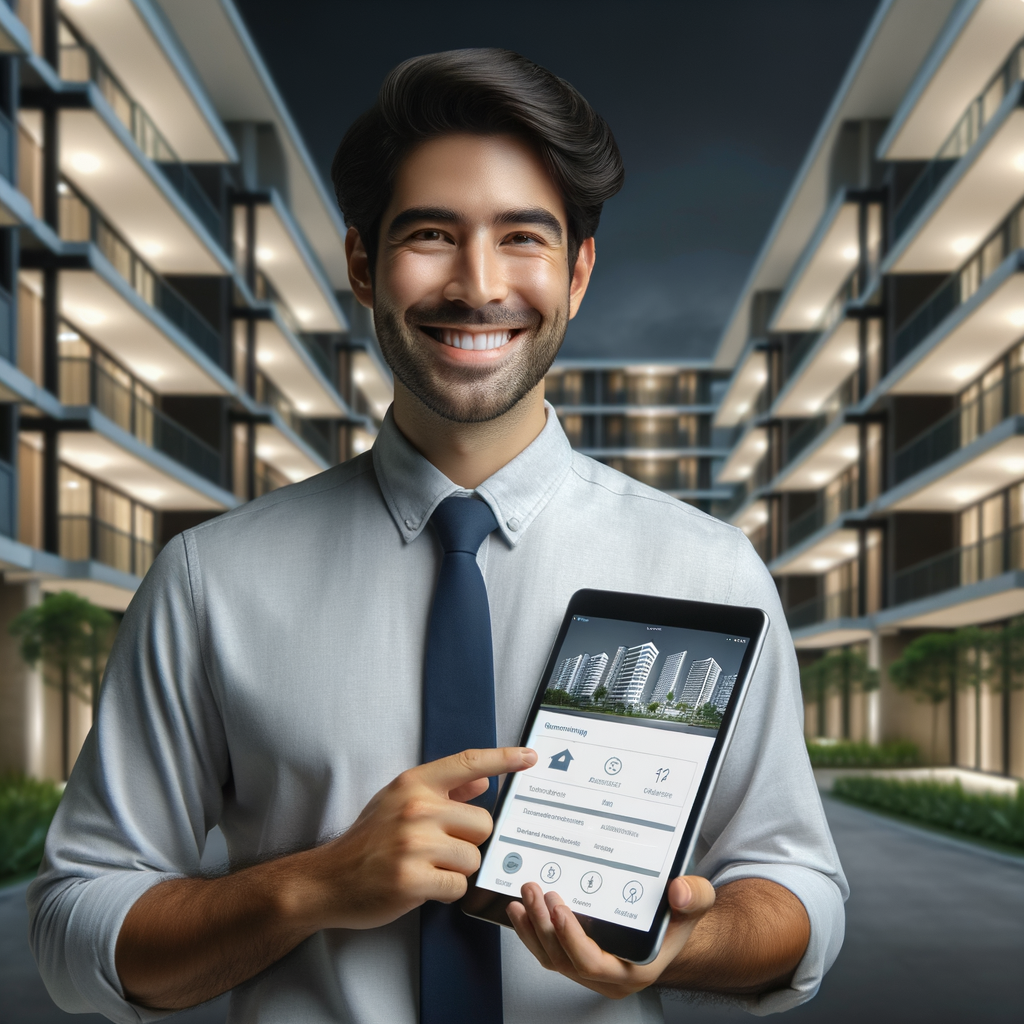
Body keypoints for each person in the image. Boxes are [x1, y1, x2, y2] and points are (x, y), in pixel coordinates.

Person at [28, 49, 846, 1024]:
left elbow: (799, 893)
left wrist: (689, 943)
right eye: (430, 235)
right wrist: (315, 885)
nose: (476, 283)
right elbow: (75, 925)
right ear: (364, 265)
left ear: (577, 273)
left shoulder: (711, 571)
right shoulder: (212, 580)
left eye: (522, 239)